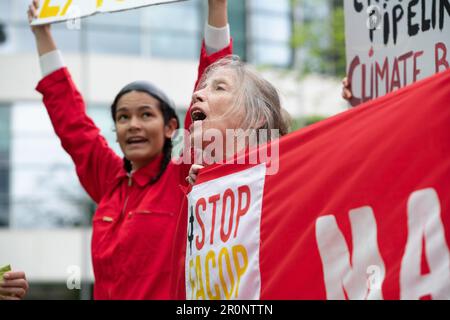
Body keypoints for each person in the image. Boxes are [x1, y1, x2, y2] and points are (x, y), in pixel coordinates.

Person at [28, 0, 232, 299]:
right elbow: (71, 121)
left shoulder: (182, 174)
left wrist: (217, 6)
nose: (133, 124)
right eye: (123, 117)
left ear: (170, 127)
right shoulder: (108, 180)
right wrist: (42, 33)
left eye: (146, 114)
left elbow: (211, 79)